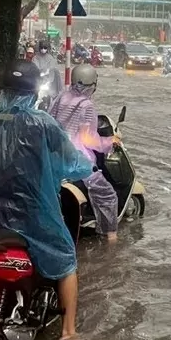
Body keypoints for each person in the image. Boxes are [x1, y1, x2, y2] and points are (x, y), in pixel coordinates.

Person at [0, 61, 94, 340]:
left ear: (3, 91)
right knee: (67, 260)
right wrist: (87, 164)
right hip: (31, 215)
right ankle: (69, 333)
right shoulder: (43, 123)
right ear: (34, 93)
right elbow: (74, 162)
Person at [48, 64, 121, 241]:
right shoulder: (87, 105)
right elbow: (88, 139)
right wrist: (109, 142)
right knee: (107, 194)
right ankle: (111, 238)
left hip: (54, 156)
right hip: (76, 160)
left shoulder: (61, 97)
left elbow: (48, 120)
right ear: (92, 84)